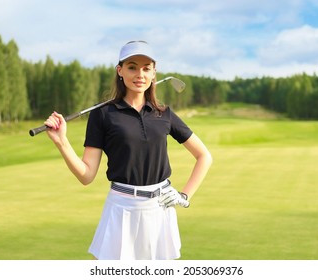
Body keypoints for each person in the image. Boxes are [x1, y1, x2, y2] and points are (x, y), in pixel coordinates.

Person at [44, 40, 212, 260]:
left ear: (154, 73)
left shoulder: (164, 113)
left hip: (160, 209)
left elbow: (204, 156)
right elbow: (86, 175)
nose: (139, 74)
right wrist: (62, 142)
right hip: (121, 209)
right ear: (120, 70)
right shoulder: (103, 114)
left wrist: (184, 196)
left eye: (146, 68)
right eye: (132, 67)